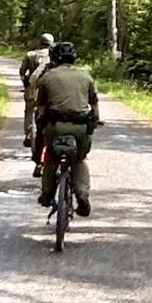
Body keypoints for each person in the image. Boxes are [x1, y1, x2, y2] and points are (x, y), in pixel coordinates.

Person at [35, 41, 101, 216]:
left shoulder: (47, 77)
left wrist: (41, 120)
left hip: (55, 127)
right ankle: (82, 193)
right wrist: (96, 120)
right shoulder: (86, 76)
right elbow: (94, 103)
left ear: (55, 58)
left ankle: (47, 194)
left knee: (50, 157)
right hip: (80, 128)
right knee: (79, 159)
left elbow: (40, 107)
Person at [20, 33, 54, 147]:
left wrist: (25, 83)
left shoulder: (31, 54)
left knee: (29, 110)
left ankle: (28, 134)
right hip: (49, 88)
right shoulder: (54, 55)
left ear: (40, 42)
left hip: (32, 88)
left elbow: (22, 72)